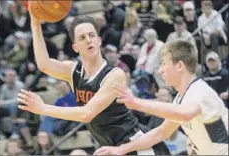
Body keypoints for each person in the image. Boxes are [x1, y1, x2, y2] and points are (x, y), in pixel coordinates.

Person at [17, 3, 170, 155]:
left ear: (99, 40)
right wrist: (35, 23)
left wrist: (43, 108)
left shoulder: (115, 74)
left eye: (91, 35)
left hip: (136, 145)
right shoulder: (73, 71)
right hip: (110, 147)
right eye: (82, 37)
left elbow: (87, 114)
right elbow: (44, 65)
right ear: (75, 47)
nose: (88, 40)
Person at [94, 40, 228, 155]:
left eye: (164, 63)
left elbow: (184, 114)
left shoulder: (199, 92)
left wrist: (136, 102)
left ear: (180, 66)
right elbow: (161, 132)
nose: (160, 70)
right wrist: (121, 149)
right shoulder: (182, 98)